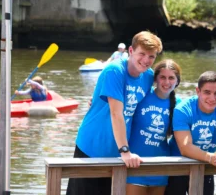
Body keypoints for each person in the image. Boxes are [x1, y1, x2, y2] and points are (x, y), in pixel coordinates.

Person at [66, 31, 163, 195]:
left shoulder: (148, 77)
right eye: (142, 54)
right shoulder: (115, 70)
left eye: (151, 56)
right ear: (131, 51)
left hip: (117, 152)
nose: (146, 60)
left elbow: (153, 105)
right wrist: (125, 151)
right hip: (92, 147)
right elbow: (116, 113)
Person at [165, 71, 216, 195]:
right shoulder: (183, 109)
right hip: (178, 165)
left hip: (206, 165)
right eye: (207, 92)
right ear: (198, 91)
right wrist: (211, 157)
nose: (212, 98)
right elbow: (185, 147)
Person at [126, 59, 182, 195]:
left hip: (160, 167)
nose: (167, 82)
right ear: (155, 78)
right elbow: (120, 108)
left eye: (171, 78)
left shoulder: (180, 104)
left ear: (177, 81)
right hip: (134, 164)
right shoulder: (142, 95)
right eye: (162, 77)